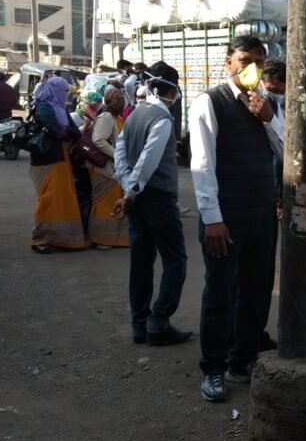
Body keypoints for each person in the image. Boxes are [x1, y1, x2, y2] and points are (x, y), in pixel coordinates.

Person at [189, 35, 283, 402]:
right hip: (226, 217)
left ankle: (242, 360)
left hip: (262, 212)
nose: (252, 68)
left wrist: (269, 119)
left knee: (256, 290)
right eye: (244, 60)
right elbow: (202, 164)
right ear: (229, 62)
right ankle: (213, 368)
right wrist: (212, 218)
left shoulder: (267, 103)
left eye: (259, 61)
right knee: (220, 293)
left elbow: (286, 152)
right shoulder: (210, 102)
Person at [112, 62, 192, 347]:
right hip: (157, 197)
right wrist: (131, 191)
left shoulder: (135, 114)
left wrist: (127, 189)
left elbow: (121, 153)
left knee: (141, 261)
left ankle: (139, 323)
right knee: (175, 260)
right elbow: (148, 160)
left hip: (136, 199)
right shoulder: (162, 118)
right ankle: (158, 322)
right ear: (171, 90)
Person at [28, 76, 85, 254]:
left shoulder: (61, 108)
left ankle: (62, 239)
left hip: (62, 158)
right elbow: (57, 133)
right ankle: (40, 239)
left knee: (63, 198)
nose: (66, 94)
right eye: (64, 90)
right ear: (55, 90)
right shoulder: (44, 107)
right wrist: (66, 131)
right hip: (46, 159)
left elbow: (74, 133)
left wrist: (66, 131)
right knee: (49, 199)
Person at [86, 88, 129, 250]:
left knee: (113, 201)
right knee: (104, 202)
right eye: (117, 99)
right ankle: (100, 239)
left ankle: (112, 238)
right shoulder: (106, 116)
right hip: (103, 167)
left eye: (122, 99)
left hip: (113, 167)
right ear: (109, 101)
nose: (121, 102)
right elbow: (98, 140)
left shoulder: (116, 117)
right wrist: (117, 155)